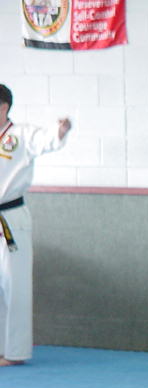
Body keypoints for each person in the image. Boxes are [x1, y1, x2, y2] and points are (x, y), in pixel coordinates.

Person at [0, 83, 72, 367]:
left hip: (11, 219)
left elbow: (47, 140)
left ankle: (15, 353)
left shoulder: (21, 135)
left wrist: (60, 132)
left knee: (14, 285)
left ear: (3, 107)